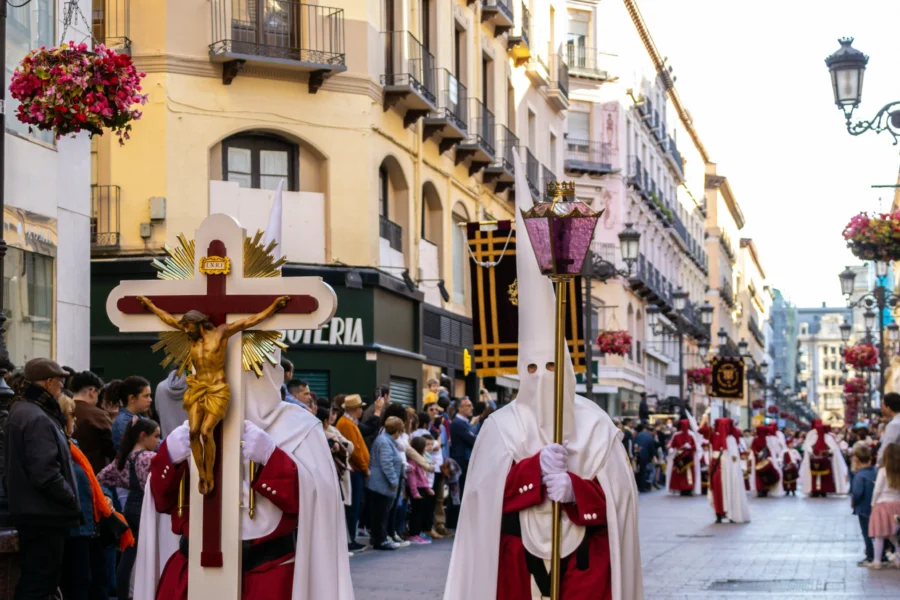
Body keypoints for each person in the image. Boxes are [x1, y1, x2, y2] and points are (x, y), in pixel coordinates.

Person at [444, 170, 642, 599]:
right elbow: (480, 503)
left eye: (551, 366)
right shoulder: (500, 426)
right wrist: (532, 472)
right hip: (517, 568)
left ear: (567, 368)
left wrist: (578, 490)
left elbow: (623, 505)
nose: (541, 377)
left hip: (584, 568)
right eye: (531, 368)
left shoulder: (597, 426)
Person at [134, 359, 355, 599]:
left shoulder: (299, 427)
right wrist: (169, 458)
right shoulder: (194, 424)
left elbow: (316, 503)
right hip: (194, 574)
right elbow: (162, 502)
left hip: (268, 576)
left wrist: (272, 460)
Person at [4, 358, 82, 600]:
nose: (61, 387)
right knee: (39, 583)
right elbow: (45, 472)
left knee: (37, 581)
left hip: (35, 511)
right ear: (49, 383)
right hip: (43, 514)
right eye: (59, 382)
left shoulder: (24, 410)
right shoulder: (36, 416)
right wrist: (69, 497)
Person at [98, 418, 160, 600]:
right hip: (145, 507)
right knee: (146, 553)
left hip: (130, 507)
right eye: (156, 436)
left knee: (128, 554)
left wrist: (107, 497)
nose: (158, 440)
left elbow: (100, 478)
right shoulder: (149, 458)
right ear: (143, 436)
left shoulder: (123, 458)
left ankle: (124, 594)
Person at [336, 394, 370, 552]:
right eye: (360, 408)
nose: (362, 410)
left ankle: (351, 537)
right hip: (355, 470)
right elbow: (354, 450)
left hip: (357, 470)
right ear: (356, 409)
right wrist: (364, 467)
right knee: (353, 506)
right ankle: (350, 539)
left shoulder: (349, 423)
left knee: (356, 505)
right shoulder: (347, 424)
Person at [366, 416, 405, 551]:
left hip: (382, 484)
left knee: (382, 512)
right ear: (398, 430)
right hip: (381, 484)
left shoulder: (387, 441)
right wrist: (394, 481)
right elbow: (386, 463)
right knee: (381, 513)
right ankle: (380, 539)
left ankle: (380, 537)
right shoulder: (384, 442)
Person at [71, 370, 115, 475]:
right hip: (91, 473)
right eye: (98, 394)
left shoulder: (61, 409)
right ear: (92, 391)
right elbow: (112, 447)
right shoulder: (97, 415)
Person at [708, 418, 750, 524]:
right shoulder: (714, 435)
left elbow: (734, 457)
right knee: (717, 489)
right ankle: (719, 512)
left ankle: (731, 512)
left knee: (730, 487)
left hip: (728, 470)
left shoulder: (731, 439)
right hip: (717, 466)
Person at [867, 442, 900, 569]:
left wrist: (873, 503)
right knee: (896, 535)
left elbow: (877, 490)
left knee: (879, 535)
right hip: (898, 504)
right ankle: (898, 559)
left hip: (883, 504)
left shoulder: (882, 471)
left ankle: (877, 561)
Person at [447, 397, 477, 529]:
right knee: (457, 491)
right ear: (460, 408)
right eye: (468, 406)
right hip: (460, 462)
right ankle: (453, 522)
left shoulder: (463, 423)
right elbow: (471, 439)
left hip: (463, 462)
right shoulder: (458, 423)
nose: (471, 408)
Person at [801, 419, 850, 497]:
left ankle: (824, 490)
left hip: (825, 461)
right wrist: (812, 452)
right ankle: (814, 490)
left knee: (826, 477)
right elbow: (808, 446)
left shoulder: (828, 436)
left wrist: (827, 452)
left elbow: (833, 448)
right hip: (814, 461)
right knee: (814, 477)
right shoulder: (812, 435)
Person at [850, 444, 877, 566]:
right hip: (876, 506)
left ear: (856, 458)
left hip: (863, 507)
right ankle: (882, 553)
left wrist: (853, 501)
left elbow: (857, 492)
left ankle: (870, 555)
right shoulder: (875, 471)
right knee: (878, 532)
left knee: (866, 532)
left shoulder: (859, 475)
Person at [406, 436, 435, 545]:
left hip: (422, 488)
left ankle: (418, 532)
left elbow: (423, 477)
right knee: (416, 512)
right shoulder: (413, 461)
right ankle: (413, 533)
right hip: (416, 489)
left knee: (421, 511)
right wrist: (414, 492)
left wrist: (427, 488)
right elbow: (412, 478)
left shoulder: (421, 459)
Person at [112, 376, 152, 452]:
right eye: (146, 396)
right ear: (132, 398)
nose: (150, 400)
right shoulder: (123, 422)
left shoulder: (141, 419)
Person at [666, 420, 698, 496]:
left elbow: (695, 446)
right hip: (679, 458)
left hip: (688, 458)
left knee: (688, 474)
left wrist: (689, 447)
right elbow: (672, 445)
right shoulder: (676, 435)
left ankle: (689, 489)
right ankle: (681, 489)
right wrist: (672, 450)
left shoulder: (691, 435)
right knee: (679, 475)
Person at [155, 368, 188, 439]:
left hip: (168, 443)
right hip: (193, 444)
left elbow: (158, 411)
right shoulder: (196, 388)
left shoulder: (160, 387)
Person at [749, 426, 781, 498]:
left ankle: (765, 489)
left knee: (766, 475)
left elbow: (771, 449)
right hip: (758, 460)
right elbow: (753, 448)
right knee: (759, 475)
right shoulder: (757, 439)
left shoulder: (768, 439)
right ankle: (760, 489)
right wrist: (757, 453)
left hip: (766, 460)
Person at [877, 392, 900, 467]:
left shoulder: (894, 425)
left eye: (882, 406)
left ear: (888, 408)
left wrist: (878, 464)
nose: (881, 410)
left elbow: (886, 448)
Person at [634, 423, 657, 492]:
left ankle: (637, 486)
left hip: (637, 454)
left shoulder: (639, 434)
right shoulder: (650, 437)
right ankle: (642, 487)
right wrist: (653, 457)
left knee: (637, 471)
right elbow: (652, 449)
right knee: (643, 471)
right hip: (644, 455)